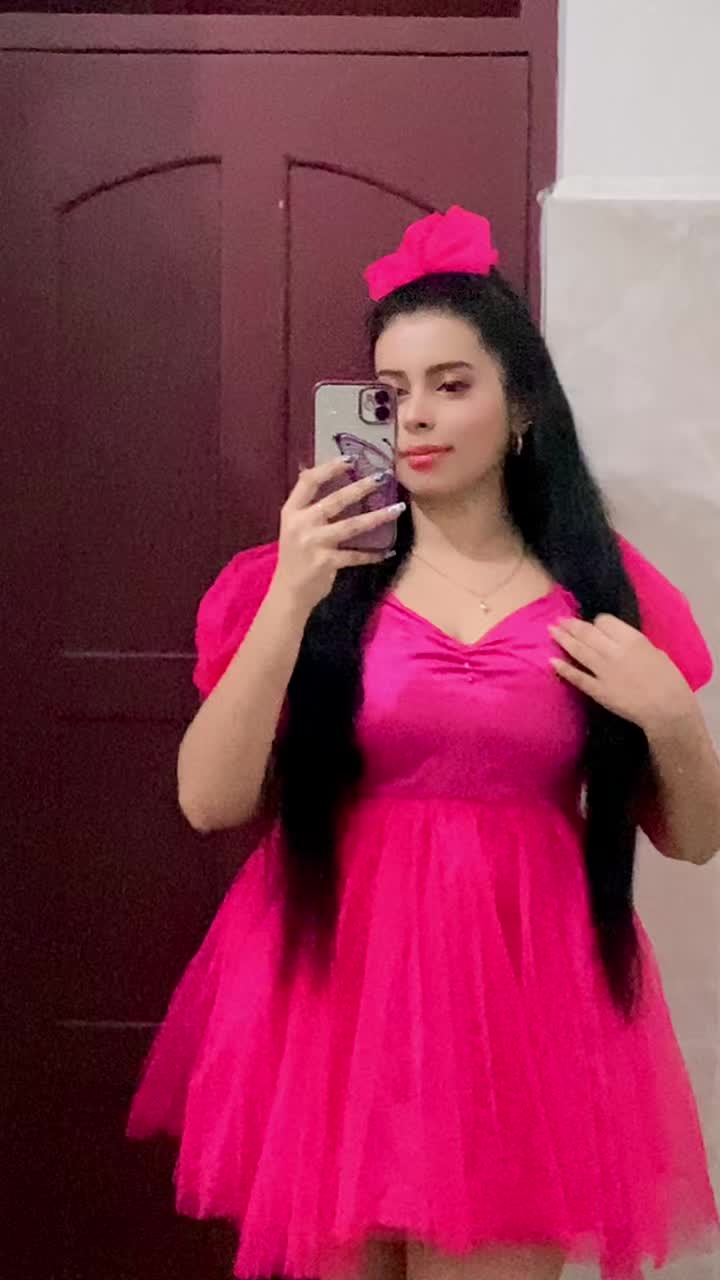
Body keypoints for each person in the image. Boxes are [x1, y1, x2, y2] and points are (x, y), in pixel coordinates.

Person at [128, 207, 720, 1280]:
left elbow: (693, 838)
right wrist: (294, 591)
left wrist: (675, 718)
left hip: (523, 1013)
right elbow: (209, 800)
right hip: (334, 1003)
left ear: (522, 404)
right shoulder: (300, 582)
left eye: (452, 384)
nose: (416, 419)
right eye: (389, 393)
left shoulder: (604, 587)